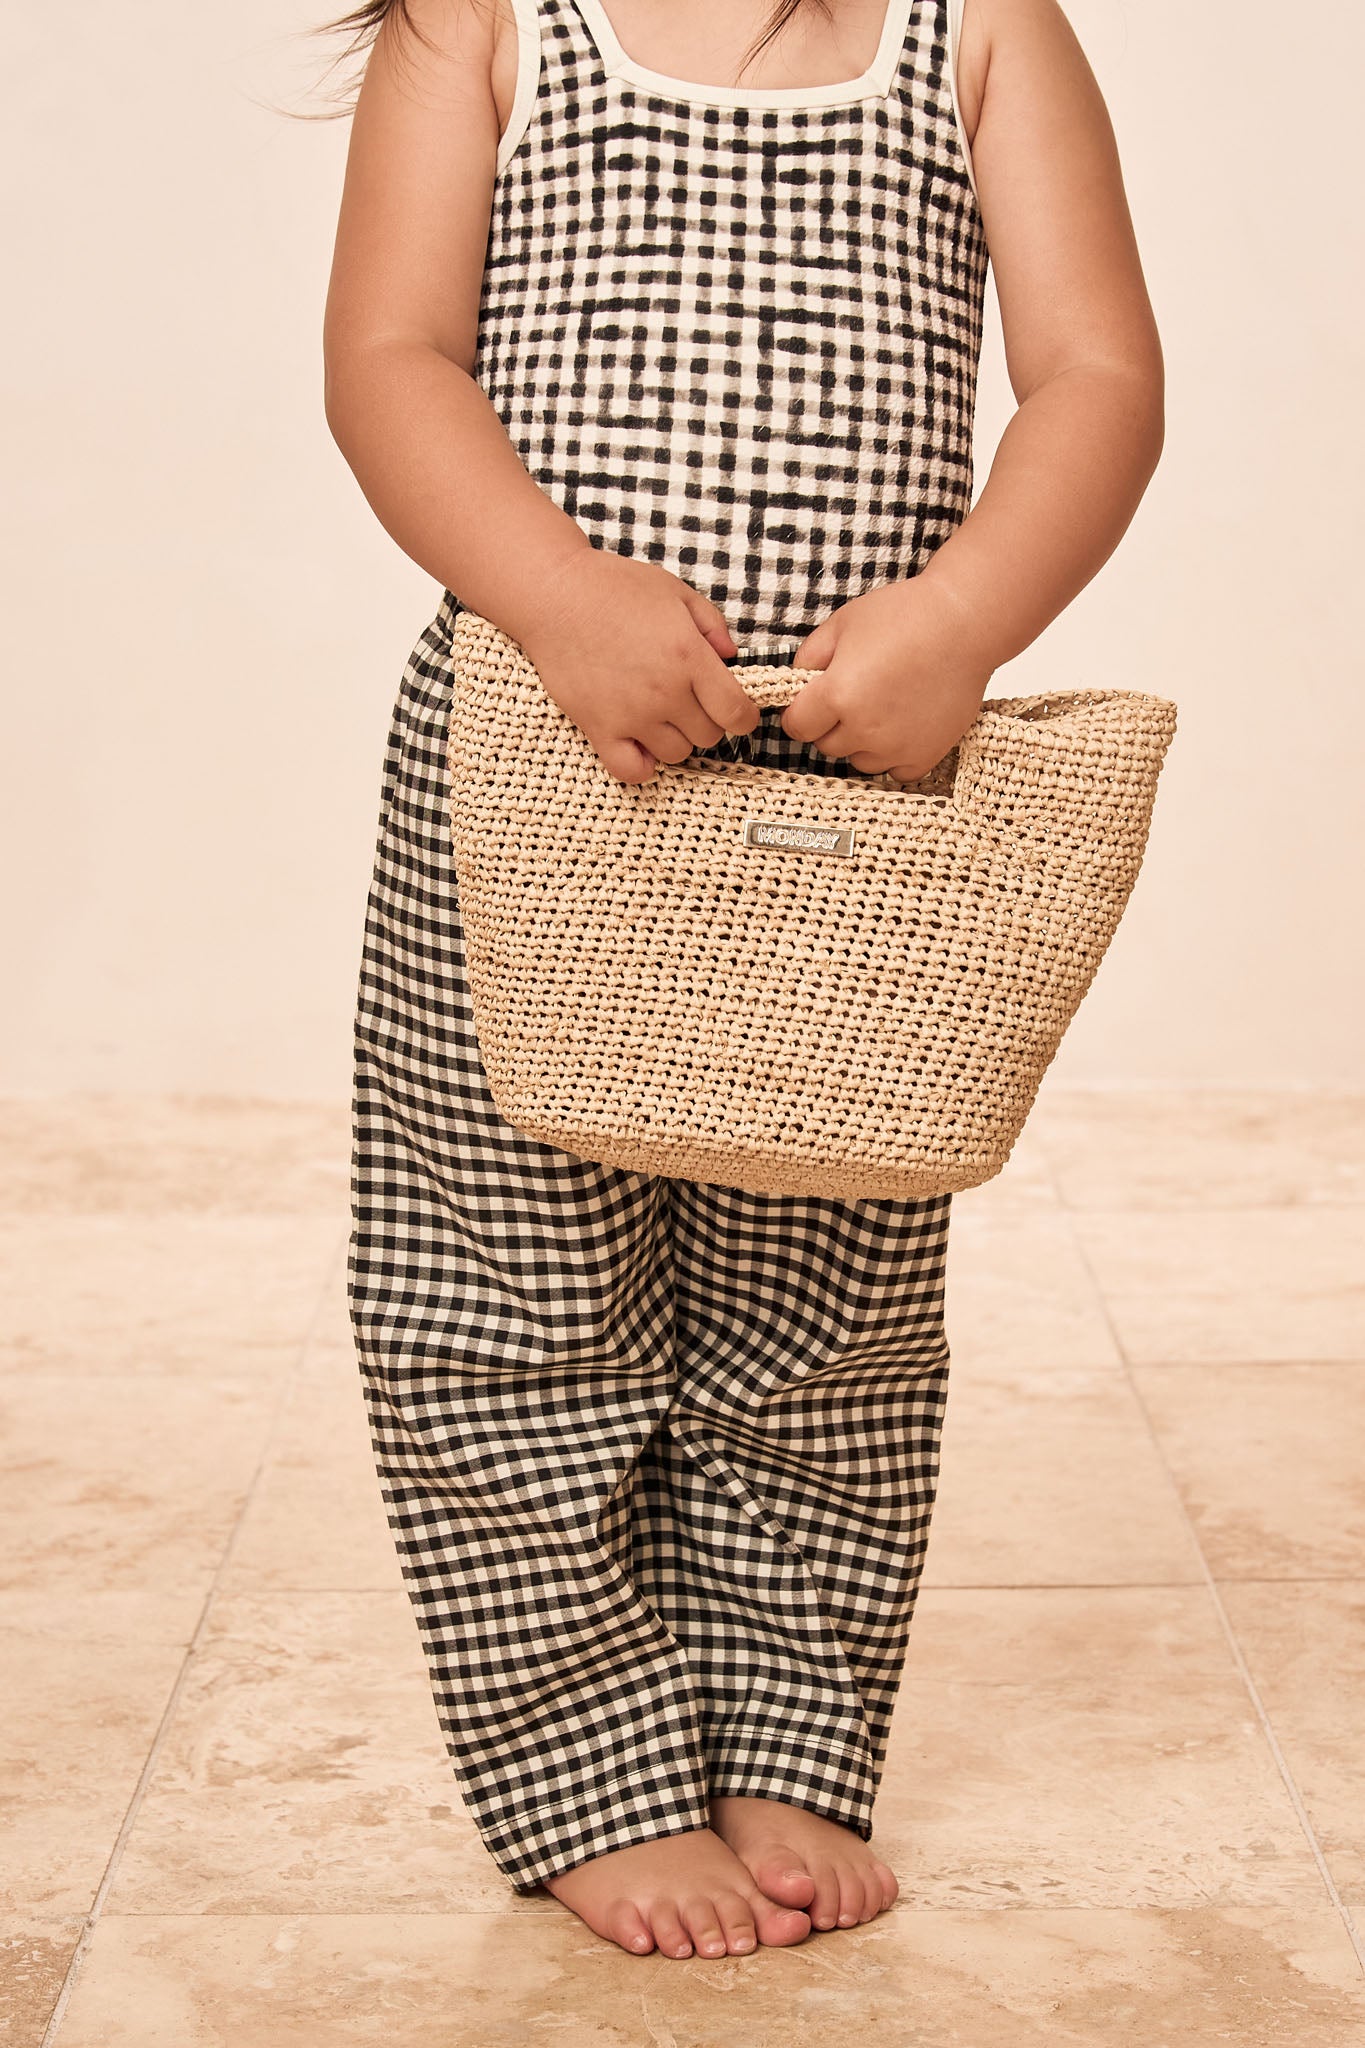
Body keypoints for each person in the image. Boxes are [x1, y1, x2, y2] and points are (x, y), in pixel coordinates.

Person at [319, 0, 1163, 1964]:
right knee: (506, 1292)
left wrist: (959, 619)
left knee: (828, 1302)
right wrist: (557, 593)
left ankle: (786, 1723)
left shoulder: (973, 33)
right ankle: (591, 1760)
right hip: (547, 765)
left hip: (851, 784)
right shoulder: (481, 26)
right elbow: (387, 362)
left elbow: (1094, 371)